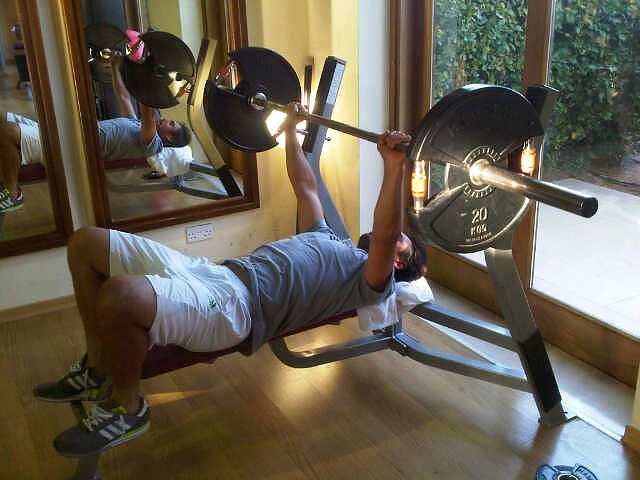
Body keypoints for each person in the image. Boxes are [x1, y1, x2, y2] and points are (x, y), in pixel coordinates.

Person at [33, 102, 427, 457]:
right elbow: (305, 185)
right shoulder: (326, 237)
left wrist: (394, 167)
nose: (395, 239)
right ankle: (96, 368)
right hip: (214, 272)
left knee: (120, 295)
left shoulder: (369, 282)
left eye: (401, 244)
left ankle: (128, 407)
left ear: (396, 263)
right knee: (85, 243)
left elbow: (386, 231)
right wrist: (291, 131)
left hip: (236, 309)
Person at [0, 51, 191, 213]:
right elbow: (123, 96)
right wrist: (115, 67)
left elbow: (148, 111)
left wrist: (149, 74)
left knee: (8, 132)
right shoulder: (135, 124)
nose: (166, 119)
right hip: (59, 134)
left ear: (168, 137)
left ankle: (13, 195)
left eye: (171, 124)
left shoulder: (153, 145)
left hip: (63, 149)